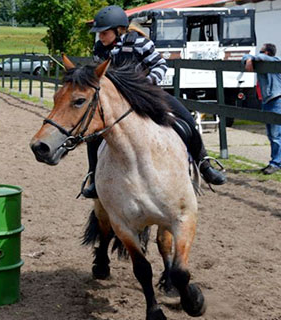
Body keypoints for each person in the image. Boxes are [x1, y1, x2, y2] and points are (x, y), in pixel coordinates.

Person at [81, 5, 226, 198]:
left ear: (119, 30)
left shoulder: (139, 43)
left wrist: (144, 84)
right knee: (93, 134)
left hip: (144, 93)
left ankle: (205, 165)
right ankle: (93, 177)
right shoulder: (100, 48)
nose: (100, 37)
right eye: (99, 33)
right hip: (116, 100)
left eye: (104, 33)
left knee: (185, 118)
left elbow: (159, 64)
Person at [242, 44, 281, 175]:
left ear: (268, 53)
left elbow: (260, 57)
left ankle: (275, 163)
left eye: (262, 51)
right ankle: (275, 161)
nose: (259, 53)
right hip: (267, 101)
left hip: (276, 100)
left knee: (276, 135)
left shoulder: (275, 61)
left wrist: (252, 58)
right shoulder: (259, 61)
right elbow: (245, 57)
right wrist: (248, 59)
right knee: (271, 135)